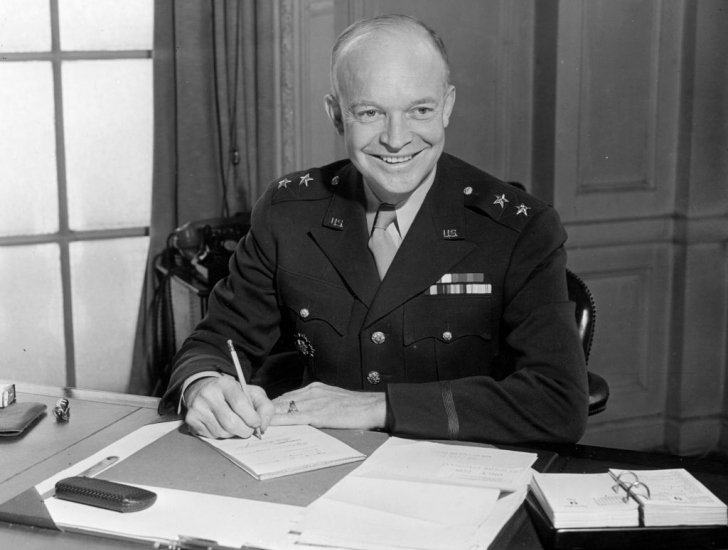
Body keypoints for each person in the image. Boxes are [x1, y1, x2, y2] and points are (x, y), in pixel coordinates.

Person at [159, 14, 589, 445]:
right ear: (336, 115)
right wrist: (203, 385)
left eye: (420, 110)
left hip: (456, 469)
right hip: (319, 464)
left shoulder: (517, 228)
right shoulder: (288, 212)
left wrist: (375, 407)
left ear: (447, 107)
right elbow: (217, 342)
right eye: (370, 112)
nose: (396, 139)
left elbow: (558, 402)